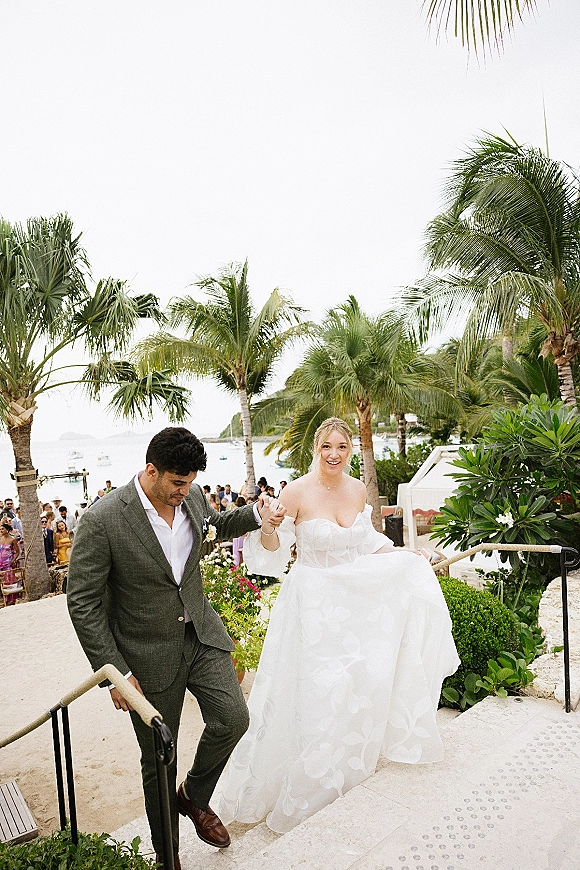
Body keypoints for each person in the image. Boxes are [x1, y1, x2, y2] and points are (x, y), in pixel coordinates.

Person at [214, 417, 460, 834]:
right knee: (316, 688)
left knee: (357, 683)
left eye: (342, 448)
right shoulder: (295, 491)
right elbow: (273, 555)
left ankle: (345, 767)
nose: (334, 455)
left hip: (354, 599)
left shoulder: (357, 489)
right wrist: (269, 527)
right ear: (316, 448)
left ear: (350, 450)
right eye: (327, 446)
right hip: (312, 602)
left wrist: (407, 556)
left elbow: (366, 541)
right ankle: (307, 778)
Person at [66, 427, 284, 870]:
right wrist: (117, 674)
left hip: (201, 635)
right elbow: (83, 602)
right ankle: (168, 853)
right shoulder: (103, 519)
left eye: (190, 483)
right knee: (160, 759)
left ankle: (194, 796)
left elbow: (217, 525)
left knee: (233, 718)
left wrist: (258, 515)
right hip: (144, 657)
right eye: (177, 484)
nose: (185, 492)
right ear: (151, 471)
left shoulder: (192, 496)